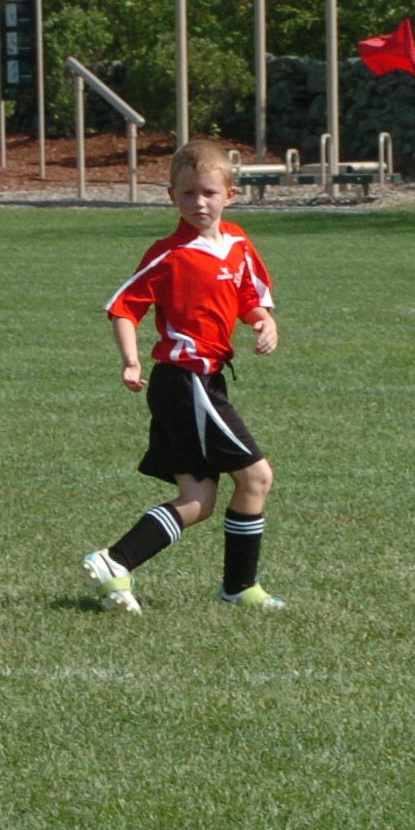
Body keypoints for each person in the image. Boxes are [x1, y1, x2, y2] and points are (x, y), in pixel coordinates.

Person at [82, 140, 285, 614]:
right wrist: (131, 361)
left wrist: (264, 321)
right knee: (256, 478)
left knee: (198, 499)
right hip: (184, 380)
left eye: (209, 193)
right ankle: (239, 586)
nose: (199, 203)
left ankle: (117, 562)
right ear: (172, 196)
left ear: (229, 195)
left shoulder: (237, 243)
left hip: (203, 382)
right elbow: (123, 308)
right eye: (188, 193)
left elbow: (248, 297)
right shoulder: (169, 254)